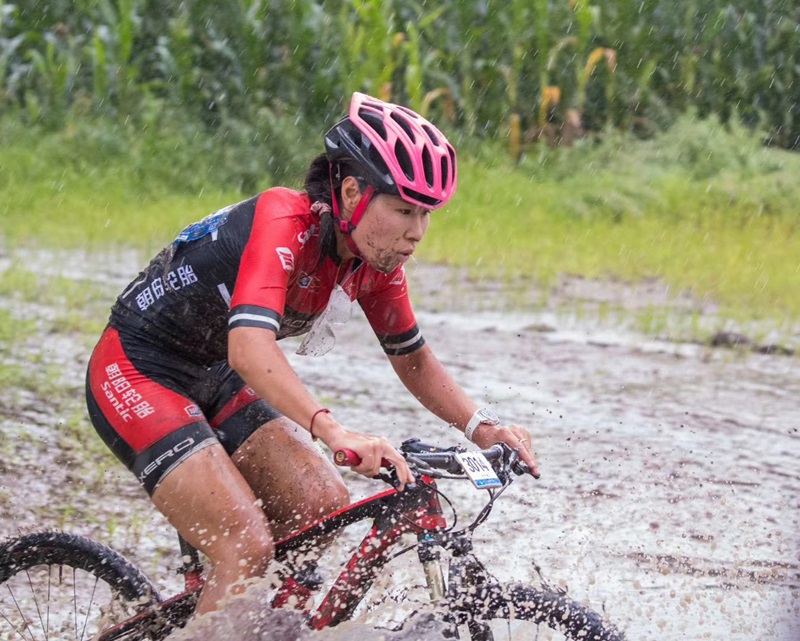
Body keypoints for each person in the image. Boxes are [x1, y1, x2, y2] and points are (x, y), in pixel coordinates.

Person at [85, 92, 538, 615]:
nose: (417, 231)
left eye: (426, 213)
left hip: (214, 373)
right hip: (140, 368)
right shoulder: (284, 220)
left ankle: (244, 620)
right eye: (403, 209)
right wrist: (332, 429)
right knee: (242, 546)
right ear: (351, 192)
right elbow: (249, 348)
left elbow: (413, 359)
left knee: (318, 503)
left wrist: (482, 426)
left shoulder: (376, 261)